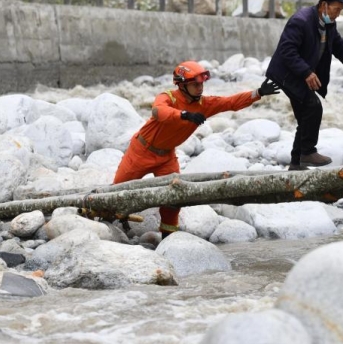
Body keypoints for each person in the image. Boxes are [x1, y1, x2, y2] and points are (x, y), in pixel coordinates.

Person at [113, 61, 280, 238]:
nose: (200, 88)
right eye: (195, 84)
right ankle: (109, 219)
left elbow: (230, 102)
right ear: (183, 85)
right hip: (141, 151)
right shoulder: (168, 96)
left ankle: (168, 238)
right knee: (117, 192)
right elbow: (158, 112)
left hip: (166, 157)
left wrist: (258, 93)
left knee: (173, 198)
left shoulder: (204, 105)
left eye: (201, 84)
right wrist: (184, 115)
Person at [266, 0, 343, 170]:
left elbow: (340, 46)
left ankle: (296, 164)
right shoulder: (301, 21)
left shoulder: (328, 23)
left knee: (305, 117)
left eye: (341, 10)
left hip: (301, 72)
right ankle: (307, 152)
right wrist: (306, 72)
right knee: (313, 107)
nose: (338, 13)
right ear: (324, 5)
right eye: (336, 9)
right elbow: (287, 51)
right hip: (287, 73)